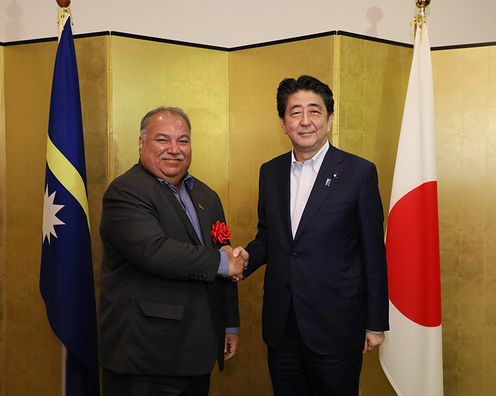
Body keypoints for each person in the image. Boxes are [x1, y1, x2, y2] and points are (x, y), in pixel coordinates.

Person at [236, 75, 389, 395]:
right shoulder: (270, 171)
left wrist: (375, 322)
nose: (305, 121)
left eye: (314, 111)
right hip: (283, 325)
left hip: (337, 325)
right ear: (282, 122)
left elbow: (373, 252)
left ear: (330, 119)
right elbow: (268, 236)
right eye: (295, 112)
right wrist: (247, 257)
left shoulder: (359, 172)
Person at [99, 106, 245, 396]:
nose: (174, 150)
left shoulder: (207, 196)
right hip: (146, 357)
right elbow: (154, 251)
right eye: (162, 140)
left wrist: (228, 324)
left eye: (183, 140)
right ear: (142, 143)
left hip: (197, 351)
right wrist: (222, 262)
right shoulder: (126, 192)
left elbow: (224, 255)